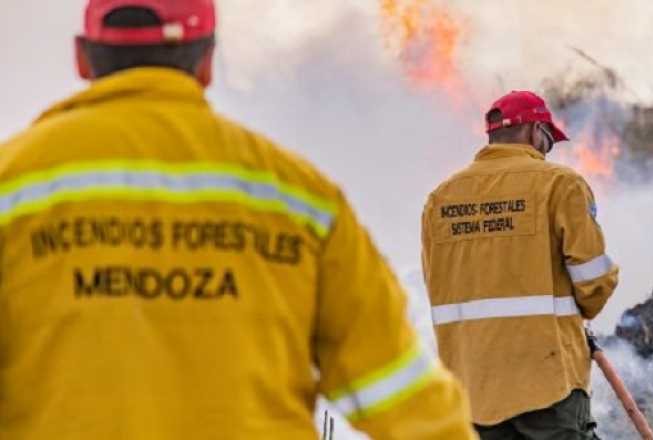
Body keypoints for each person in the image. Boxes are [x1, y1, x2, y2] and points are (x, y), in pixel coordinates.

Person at [0, 1, 476, 439]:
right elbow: (402, 395)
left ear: (83, 59)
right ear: (207, 64)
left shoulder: (13, 185)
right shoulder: (299, 199)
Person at [421, 91, 619, 439]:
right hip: (547, 384)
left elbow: (436, 283)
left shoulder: (440, 199)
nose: (547, 149)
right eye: (548, 140)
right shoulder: (561, 185)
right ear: (533, 132)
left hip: (470, 388)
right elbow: (594, 283)